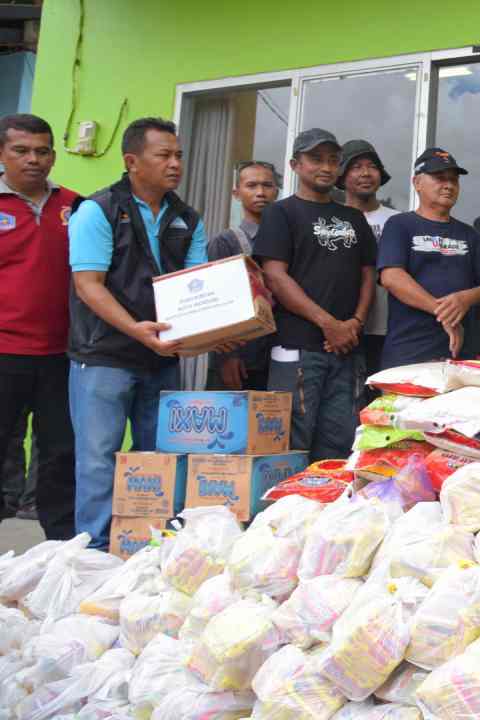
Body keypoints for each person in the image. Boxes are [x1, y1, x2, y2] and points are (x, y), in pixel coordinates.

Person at [67, 117, 211, 548]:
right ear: (132, 161)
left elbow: (197, 286)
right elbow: (88, 285)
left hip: (162, 355)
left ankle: (150, 548)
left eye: (180, 155)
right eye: (163, 155)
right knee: (99, 460)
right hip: (104, 356)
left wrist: (214, 331)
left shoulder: (187, 217)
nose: (175, 164)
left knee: (160, 459)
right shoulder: (98, 210)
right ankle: (93, 550)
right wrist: (136, 330)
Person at [256, 129, 376, 462]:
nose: (326, 167)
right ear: (295, 164)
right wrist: (328, 324)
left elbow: (368, 275)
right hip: (296, 347)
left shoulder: (354, 218)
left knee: (340, 445)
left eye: (333, 160)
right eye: (316, 159)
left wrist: (354, 323)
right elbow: (275, 276)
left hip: (348, 350)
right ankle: (283, 513)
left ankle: (328, 510)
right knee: (290, 444)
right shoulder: (281, 213)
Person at [0, 112, 78, 539]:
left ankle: (60, 546)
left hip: (61, 355)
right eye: (21, 151)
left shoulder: (76, 206)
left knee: (60, 453)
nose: (34, 159)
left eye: (42, 151)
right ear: (2, 154)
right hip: (4, 352)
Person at [378, 147, 480, 367]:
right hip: (408, 355)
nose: (448, 185)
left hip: (460, 358)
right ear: (417, 182)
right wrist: (444, 313)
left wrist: (466, 298)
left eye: (454, 180)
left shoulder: (468, 233)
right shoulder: (399, 225)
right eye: (439, 178)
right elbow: (392, 277)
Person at [206, 160, 280, 391]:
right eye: (252, 185)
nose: (260, 192)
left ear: (276, 192)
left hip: (278, 358)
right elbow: (214, 304)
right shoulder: (225, 242)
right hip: (238, 361)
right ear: (236, 193)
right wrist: (227, 356)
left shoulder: (288, 240)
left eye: (267, 185)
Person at [338, 139, 396, 376]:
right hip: (341, 330)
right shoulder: (331, 221)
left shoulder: (398, 221)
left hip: (387, 329)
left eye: (371, 166)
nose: (365, 173)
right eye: (355, 167)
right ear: (341, 176)